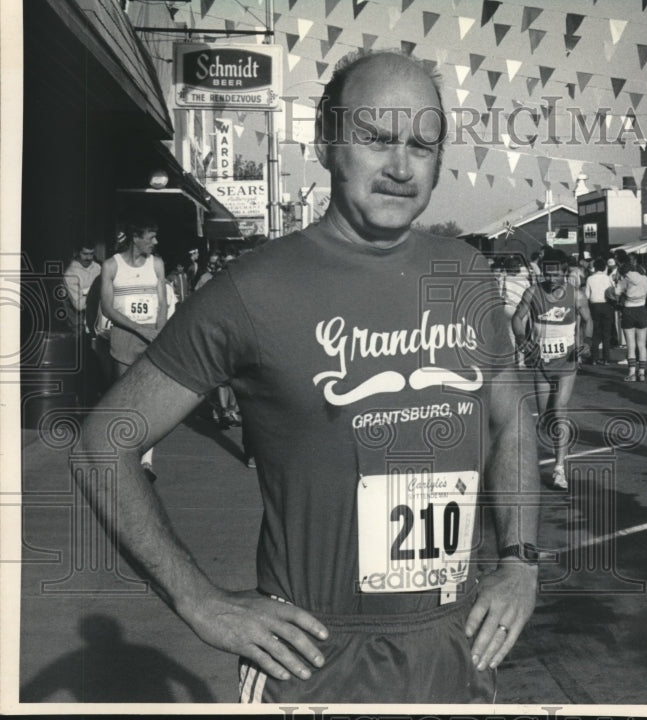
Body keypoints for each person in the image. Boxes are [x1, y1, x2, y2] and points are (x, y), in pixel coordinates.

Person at [78, 50, 538, 704]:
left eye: (422, 143)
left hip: (454, 647)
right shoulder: (253, 290)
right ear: (326, 141)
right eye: (376, 138)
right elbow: (105, 442)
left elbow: (513, 416)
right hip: (317, 660)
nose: (402, 166)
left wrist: (520, 560)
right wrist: (199, 600)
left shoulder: (464, 273)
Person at [512, 248, 592, 490]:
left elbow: (588, 320)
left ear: (565, 273)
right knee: (546, 419)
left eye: (556, 274)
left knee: (560, 410)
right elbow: (517, 318)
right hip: (541, 364)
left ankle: (559, 468)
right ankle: (555, 444)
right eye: (547, 273)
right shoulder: (533, 292)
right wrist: (523, 342)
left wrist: (586, 343)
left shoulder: (576, 295)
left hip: (567, 363)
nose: (550, 278)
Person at [99, 218, 167, 481]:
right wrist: (140, 330)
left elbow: (161, 303)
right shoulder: (112, 265)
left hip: (152, 336)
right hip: (125, 337)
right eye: (151, 237)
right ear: (136, 238)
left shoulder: (157, 264)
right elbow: (108, 307)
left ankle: (146, 462)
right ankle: (124, 458)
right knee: (126, 401)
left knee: (149, 400)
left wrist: (158, 333)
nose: (155, 242)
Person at [614, 258, 647, 381]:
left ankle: (631, 373)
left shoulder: (624, 280)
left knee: (631, 345)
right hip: (642, 309)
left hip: (628, 310)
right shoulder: (645, 278)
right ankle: (642, 373)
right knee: (642, 345)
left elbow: (616, 293)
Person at [63, 241, 101, 330]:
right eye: (85, 254)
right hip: (78, 324)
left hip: (98, 319)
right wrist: (99, 294)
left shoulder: (98, 267)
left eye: (91, 254)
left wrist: (87, 294)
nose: (88, 258)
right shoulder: (71, 273)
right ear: (77, 253)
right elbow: (79, 305)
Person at [584, 257, 615, 365]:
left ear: (595, 267)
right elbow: (612, 291)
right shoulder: (608, 278)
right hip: (606, 305)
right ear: (605, 267)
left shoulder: (590, 279)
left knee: (595, 333)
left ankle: (594, 358)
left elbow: (587, 295)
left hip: (594, 306)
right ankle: (606, 358)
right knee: (606, 333)